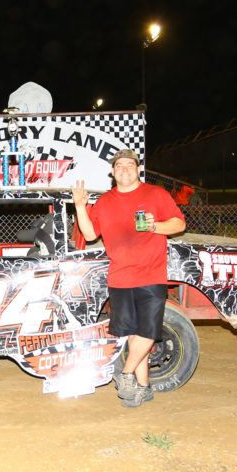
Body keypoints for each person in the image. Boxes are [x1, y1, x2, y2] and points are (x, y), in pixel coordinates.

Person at [71, 149, 186, 408]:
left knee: (148, 332)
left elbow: (179, 224)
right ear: (113, 172)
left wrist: (155, 226)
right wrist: (80, 207)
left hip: (151, 274)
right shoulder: (105, 201)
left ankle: (125, 374)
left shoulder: (156, 194)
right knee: (134, 335)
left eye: (130, 165)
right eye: (119, 165)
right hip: (120, 277)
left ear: (138, 169)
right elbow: (89, 235)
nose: (124, 169)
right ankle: (144, 388)